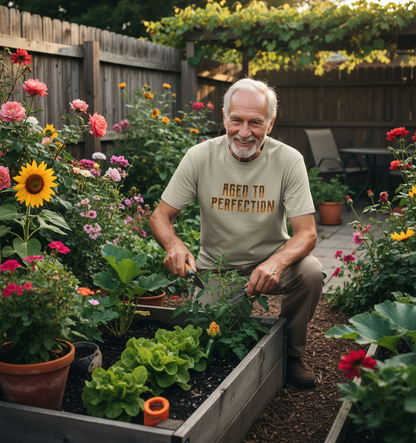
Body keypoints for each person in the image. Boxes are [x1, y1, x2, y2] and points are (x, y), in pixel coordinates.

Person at [149, 78, 326, 389]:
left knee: (310, 272)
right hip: (217, 269)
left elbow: (307, 233)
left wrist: (277, 263)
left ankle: (292, 354)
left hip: (271, 263)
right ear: (224, 119)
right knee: (212, 341)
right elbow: (161, 215)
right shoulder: (200, 157)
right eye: (237, 120)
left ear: (270, 124)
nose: (244, 132)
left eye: (255, 122)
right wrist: (173, 245)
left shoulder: (289, 160)